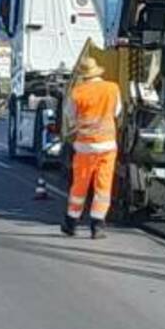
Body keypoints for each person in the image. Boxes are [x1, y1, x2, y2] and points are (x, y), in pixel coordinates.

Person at [61, 57, 122, 239]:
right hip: (107, 145)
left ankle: (71, 223)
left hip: (85, 146)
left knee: (80, 185)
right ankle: (97, 226)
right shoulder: (112, 88)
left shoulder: (77, 92)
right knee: (103, 186)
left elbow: (69, 116)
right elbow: (117, 111)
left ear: (83, 75)